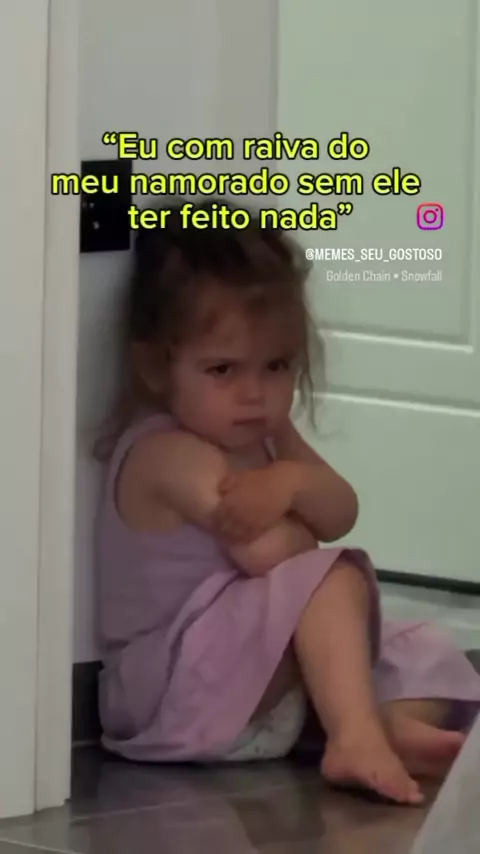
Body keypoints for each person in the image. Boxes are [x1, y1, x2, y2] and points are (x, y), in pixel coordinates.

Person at [94, 199, 480, 806]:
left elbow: (341, 510)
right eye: (224, 370)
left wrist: (293, 483)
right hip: (171, 692)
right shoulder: (167, 453)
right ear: (155, 366)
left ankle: (388, 725)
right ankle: (355, 736)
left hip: (244, 685)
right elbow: (269, 554)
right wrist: (316, 549)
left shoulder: (268, 435)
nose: (255, 394)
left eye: (275, 366)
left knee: (416, 639)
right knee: (332, 580)